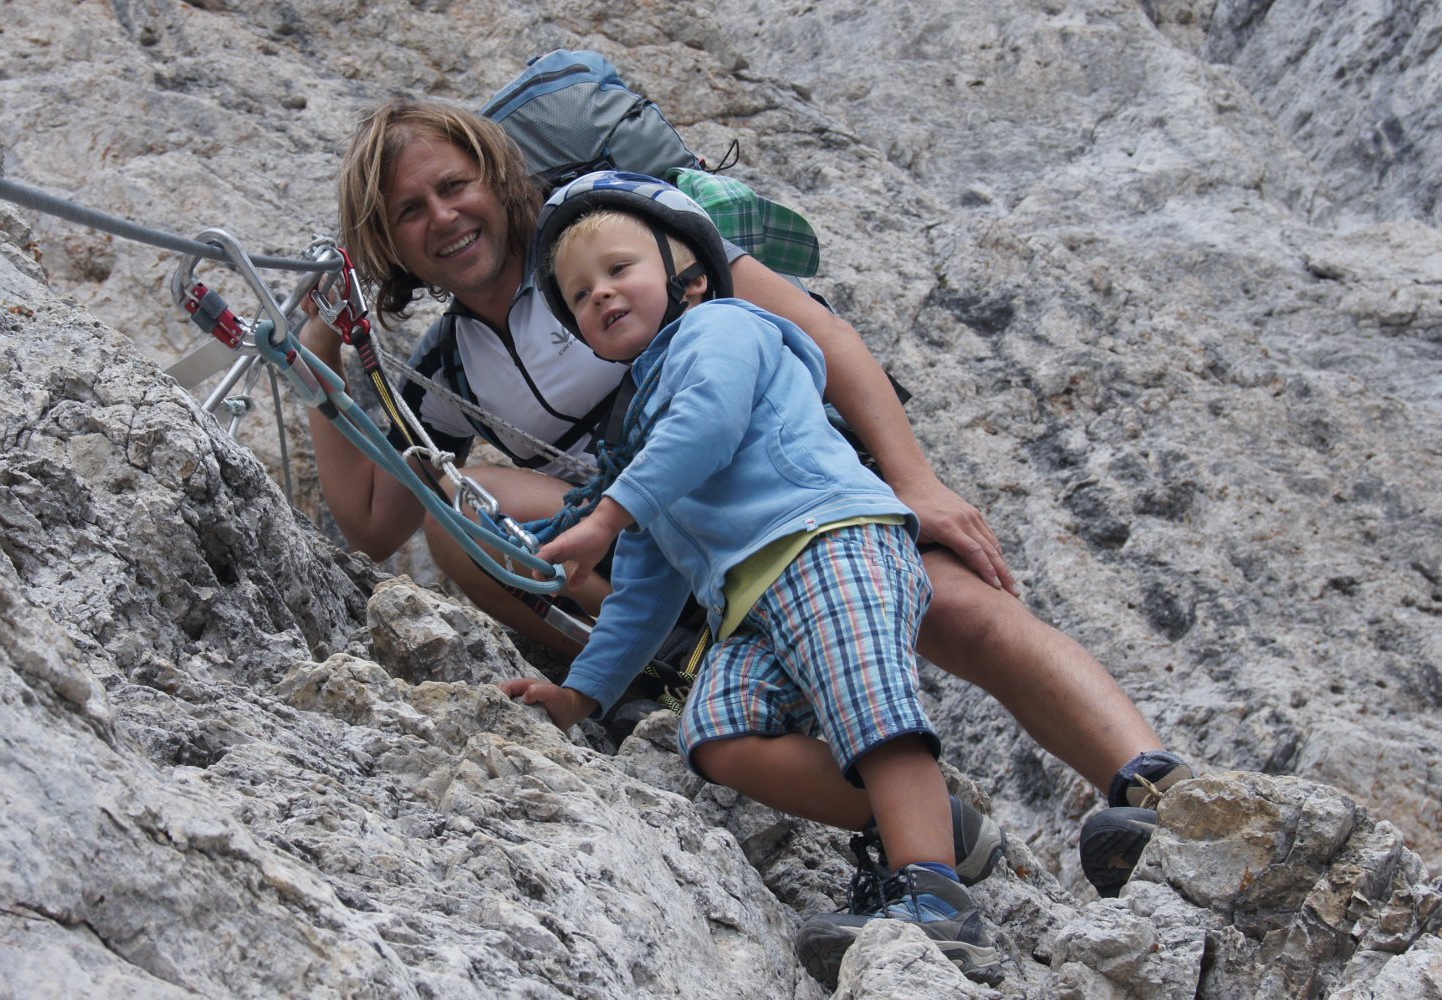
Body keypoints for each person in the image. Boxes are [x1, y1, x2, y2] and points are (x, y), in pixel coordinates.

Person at [297, 98, 1190, 897]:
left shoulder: (605, 225)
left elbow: (814, 330)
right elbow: (372, 526)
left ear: (496, 176)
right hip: (686, 548)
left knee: (960, 611)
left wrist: (914, 481)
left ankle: (1169, 800)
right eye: (410, 211)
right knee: (460, 504)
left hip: (796, 489)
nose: (443, 217)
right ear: (388, 241)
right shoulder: (450, 367)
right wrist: (320, 350)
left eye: (454, 186)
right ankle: (696, 681)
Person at [502, 171, 999, 981]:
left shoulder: (723, 328)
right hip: (756, 606)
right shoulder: (641, 434)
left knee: (865, 698)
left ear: (689, 276)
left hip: (828, 543)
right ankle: (937, 829)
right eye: (578, 293)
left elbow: (712, 418)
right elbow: (645, 591)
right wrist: (580, 694)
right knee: (720, 735)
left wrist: (603, 517)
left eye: (620, 269)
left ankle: (932, 894)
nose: (600, 294)